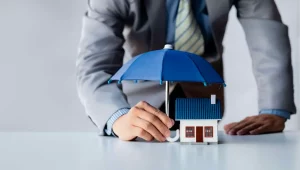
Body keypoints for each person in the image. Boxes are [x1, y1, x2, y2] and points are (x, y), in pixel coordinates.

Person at [76, 0, 296, 141]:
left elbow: (267, 37)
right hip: (139, 107)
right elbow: (95, 64)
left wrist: (274, 109)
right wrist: (117, 117)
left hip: (203, 95)